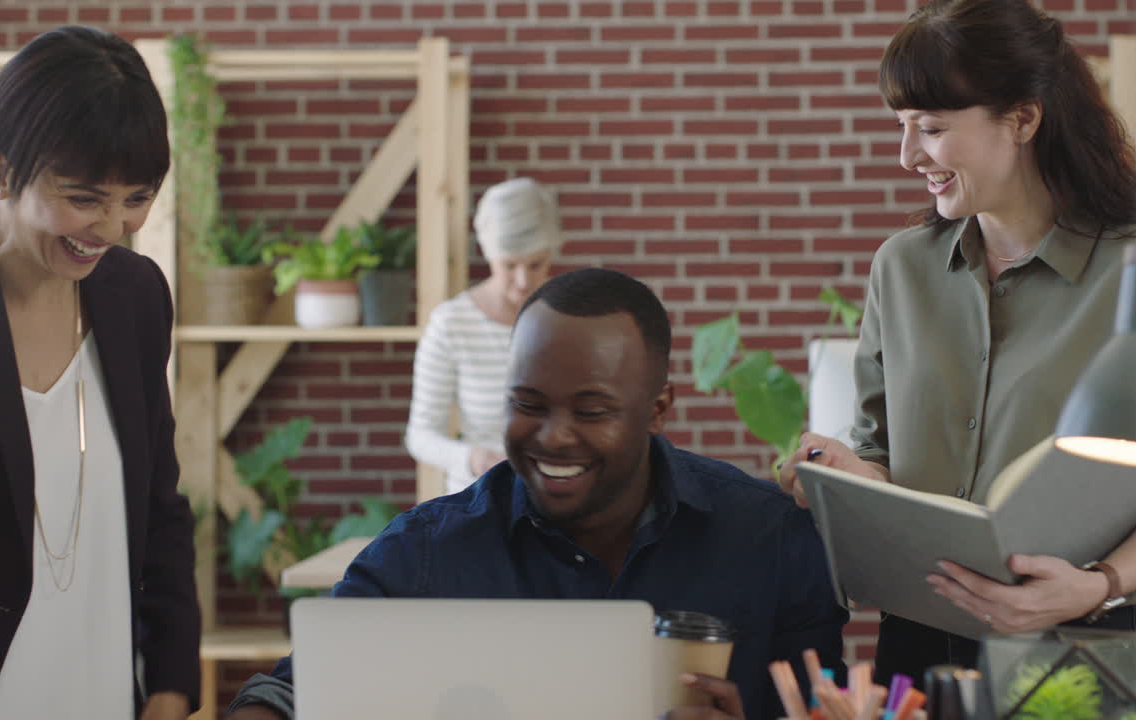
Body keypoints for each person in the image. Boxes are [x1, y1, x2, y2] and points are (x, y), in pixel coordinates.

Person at [228, 268, 848, 720]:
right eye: (527, 405)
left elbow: (829, 707)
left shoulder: (767, 539)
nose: (553, 438)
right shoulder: (429, 553)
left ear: (658, 409)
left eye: (592, 411)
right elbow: (290, 693)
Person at [778, 0, 1136, 689]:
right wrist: (844, 475)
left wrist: (1099, 585)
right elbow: (882, 459)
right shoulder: (901, 270)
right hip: (920, 647)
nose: (908, 155)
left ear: (1023, 118)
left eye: (932, 128)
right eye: (903, 127)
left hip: (1083, 643)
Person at [0, 26, 200, 719]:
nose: (111, 227)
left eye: (136, 198)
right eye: (84, 198)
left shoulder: (132, 296)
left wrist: (169, 684)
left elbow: (160, 509)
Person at [406, 176, 561, 496]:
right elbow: (420, 434)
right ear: (489, 252)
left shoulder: (566, 319)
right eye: (510, 265)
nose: (522, 281)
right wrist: (471, 457)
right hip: (480, 499)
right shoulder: (451, 323)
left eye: (536, 264)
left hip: (558, 501)